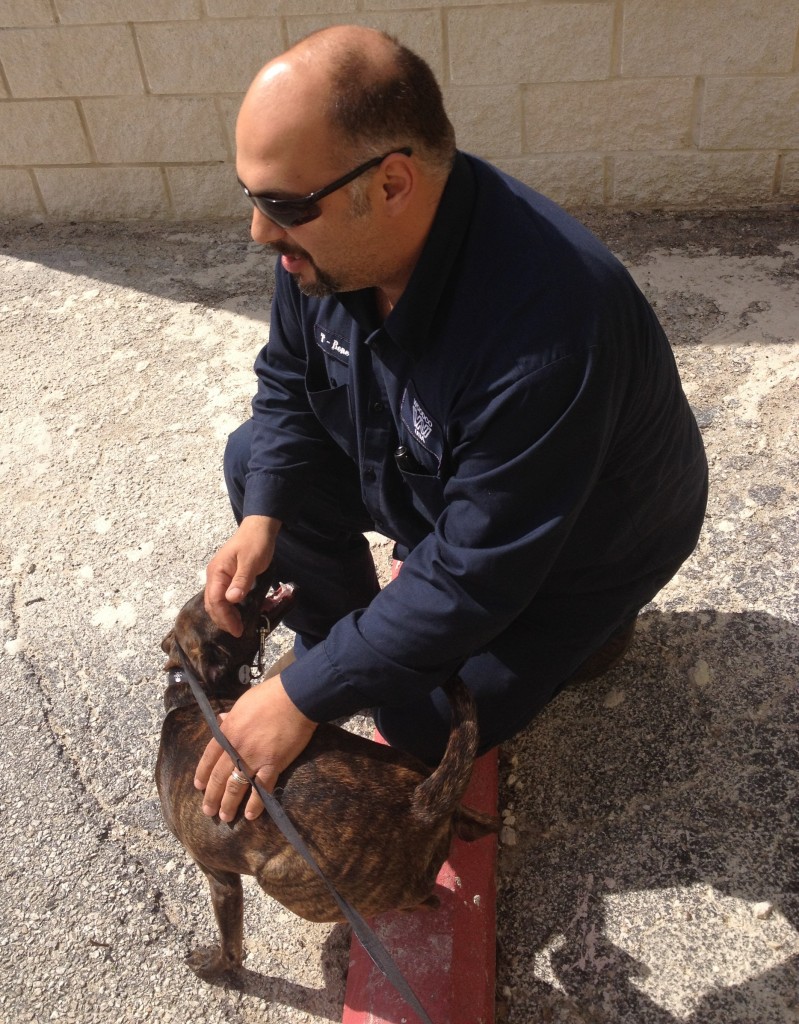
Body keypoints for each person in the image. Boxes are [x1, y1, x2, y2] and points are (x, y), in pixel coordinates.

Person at [194, 25, 708, 824]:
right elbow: (289, 385)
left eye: (286, 206)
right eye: (251, 197)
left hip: (576, 544)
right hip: (451, 488)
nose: (262, 234)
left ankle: (592, 630)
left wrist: (296, 696)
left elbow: (478, 573)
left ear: (392, 182)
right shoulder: (324, 246)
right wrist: (263, 519)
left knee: (417, 725)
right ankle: (349, 645)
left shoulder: (547, 333)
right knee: (256, 460)